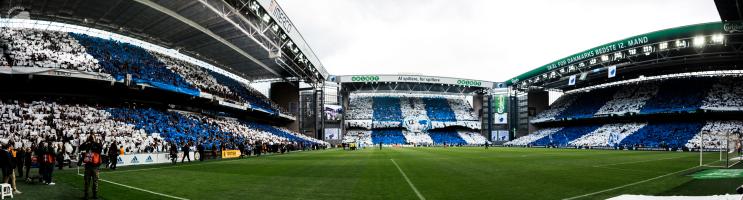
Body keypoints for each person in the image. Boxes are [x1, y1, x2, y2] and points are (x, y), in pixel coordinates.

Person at [79, 134, 103, 200]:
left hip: (95, 166)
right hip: (88, 166)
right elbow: (80, 147)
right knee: (87, 181)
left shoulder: (97, 145)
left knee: (95, 182)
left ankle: (94, 195)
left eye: (92, 138)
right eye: (91, 138)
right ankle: (86, 195)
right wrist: (86, 142)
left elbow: (100, 148)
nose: (91, 139)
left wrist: (94, 142)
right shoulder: (87, 145)